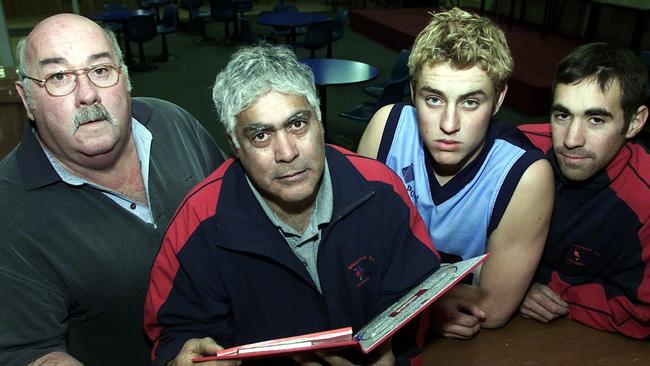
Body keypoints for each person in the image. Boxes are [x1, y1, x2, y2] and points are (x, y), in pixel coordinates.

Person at [144, 44, 441, 366]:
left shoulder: (381, 190)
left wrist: (392, 352)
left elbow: (417, 294)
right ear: (234, 145)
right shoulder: (199, 222)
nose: (286, 152)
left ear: (320, 121)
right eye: (260, 135)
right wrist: (181, 358)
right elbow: (174, 334)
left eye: (297, 124)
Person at [0, 14, 224, 366]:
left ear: (125, 76)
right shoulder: (9, 209)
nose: (87, 95)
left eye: (101, 70)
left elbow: (241, 207)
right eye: (59, 77)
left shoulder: (173, 122)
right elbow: (33, 354)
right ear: (27, 100)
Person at [356, 7, 554, 339]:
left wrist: (391, 291)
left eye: (470, 103)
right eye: (433, 99)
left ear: (499, 98)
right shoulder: (386, 128)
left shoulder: (523, 176)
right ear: (413, 90)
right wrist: (427, 306)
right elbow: (353, 257)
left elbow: (491, 309)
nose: (449, 124)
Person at [518, 42, 650, 339]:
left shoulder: (645, 201)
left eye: (596, 119)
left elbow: (643, 313)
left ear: (634, 122)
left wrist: (546, 290)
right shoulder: (515, 151)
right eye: (562, 116)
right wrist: (509, 282)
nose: (571, 140)